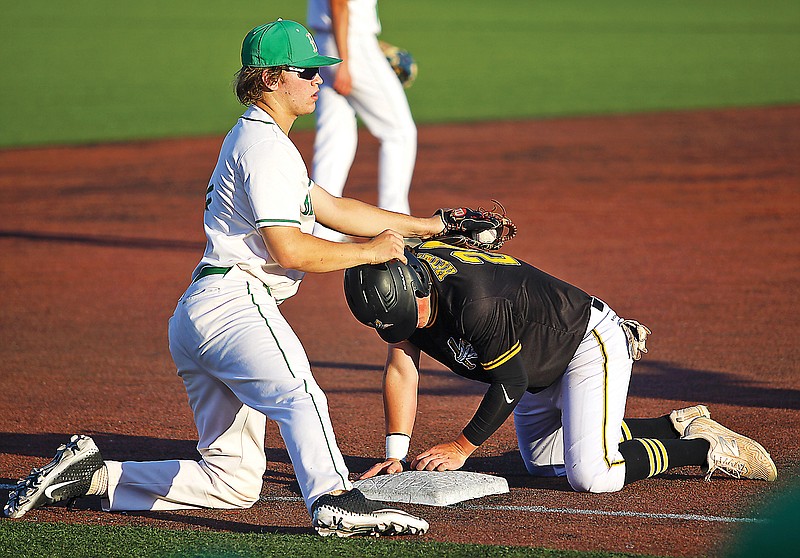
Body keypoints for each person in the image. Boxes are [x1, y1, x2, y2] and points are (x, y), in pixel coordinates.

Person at [3, 19, 445, 538]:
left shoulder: (264, 141)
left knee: (233, 480)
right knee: (300, 394)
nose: (318, 81)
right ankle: (334, 500)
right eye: (306, 72)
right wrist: (368, 254)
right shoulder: (263, 148)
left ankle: (95, 479)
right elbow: (290, 248)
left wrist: (433, 226)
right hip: (235, 305)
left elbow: (334, 208)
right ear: (271, 78)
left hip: (201, 315)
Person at [343, 242, 778, 491]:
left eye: (411, 314)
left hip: (585, 344)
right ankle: (672, 425)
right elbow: (402, 368)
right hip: (539, 361)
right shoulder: (396, 290)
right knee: (544, 464)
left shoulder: (475, 303)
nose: (412, 327)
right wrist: (394, 456)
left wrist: (462, 447)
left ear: (417, 283)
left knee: (593, 475)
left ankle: (702, 448)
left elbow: (510, 381)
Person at [306, 0, 417, 242]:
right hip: (350, 43)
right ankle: (396, 222)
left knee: (335, 138)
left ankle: (324, 229)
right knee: (399, 132)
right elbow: (339, 3)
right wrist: (345, 61)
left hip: (326, 42)